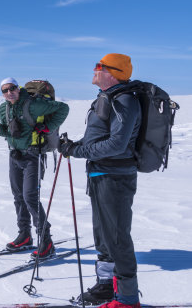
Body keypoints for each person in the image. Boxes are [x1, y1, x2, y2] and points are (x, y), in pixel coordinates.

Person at [59, 53, 141, 308]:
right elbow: (96, 137)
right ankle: (107, 286)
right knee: (103, 236)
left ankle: (127, 299)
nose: (94, 70)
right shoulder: (106, 99)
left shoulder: (125, 100)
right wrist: (73, 145)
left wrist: (78, 152)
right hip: (100, 175)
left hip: (115, 177)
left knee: (117, 238)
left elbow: (117, 144)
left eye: (99, 66)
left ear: (113, 72)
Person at [0, 77, 69, 259]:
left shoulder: (34, 104)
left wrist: (48, 127)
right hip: (15, 155)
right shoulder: (4, 108)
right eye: (5, 90)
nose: (9, 92)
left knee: (29, 197)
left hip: (33, 155)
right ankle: (25, 235)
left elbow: (63, 109)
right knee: (18, 197)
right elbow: (9, 132)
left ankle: (46, 240)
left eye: (12, 88)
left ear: (19, 88)